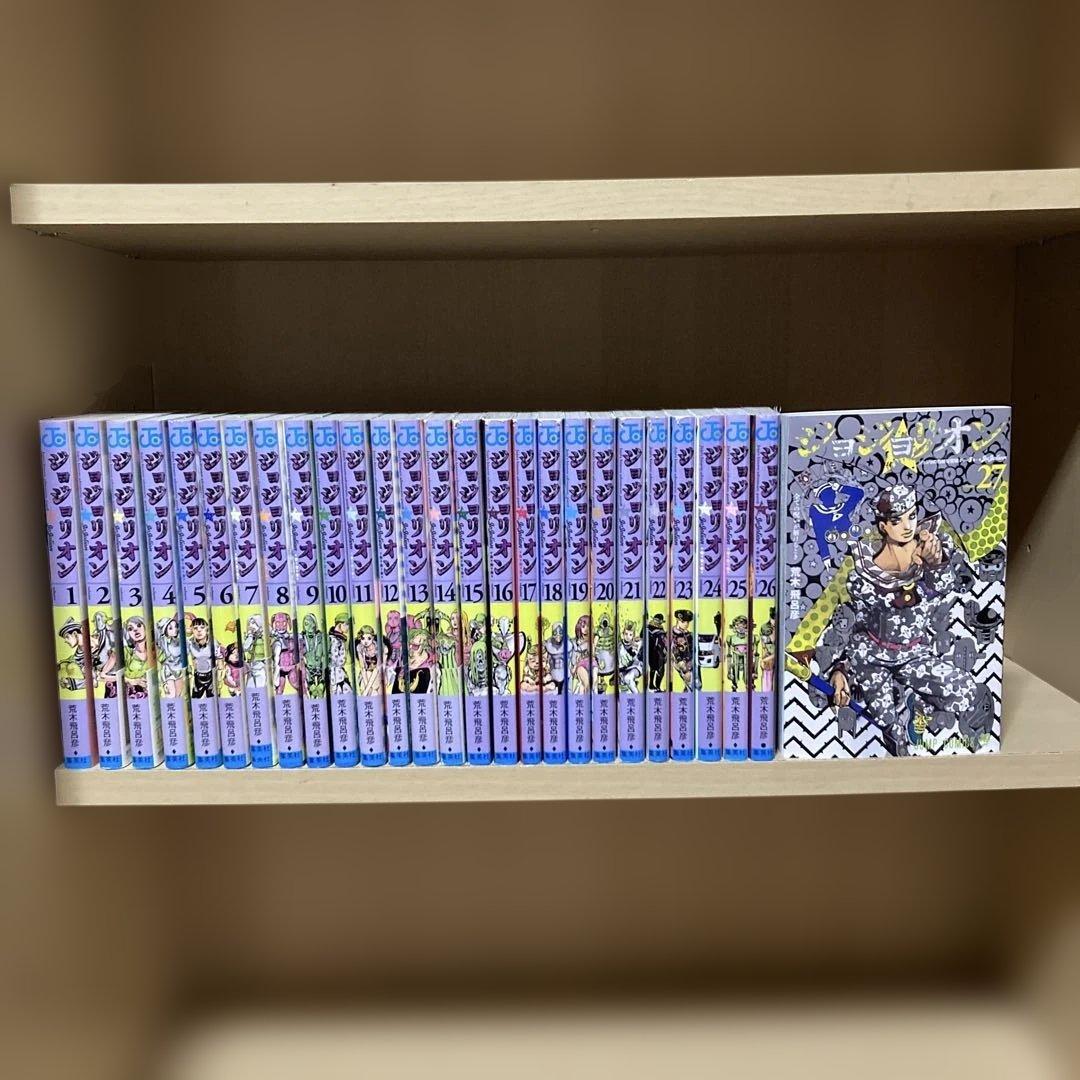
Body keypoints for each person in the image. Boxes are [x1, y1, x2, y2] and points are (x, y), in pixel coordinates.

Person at [826, 483, 979, 756]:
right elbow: (861, 618)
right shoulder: (864, 572)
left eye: (912, 516)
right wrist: (841, 669)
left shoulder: (932, 548)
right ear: (883, 526)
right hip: (873, 656)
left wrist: (936, 563)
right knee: (886, 722)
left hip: (914, 653)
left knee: (965, 692)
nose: (907, 526)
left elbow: (944, 587)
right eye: (897, 520)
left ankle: (914, 705)